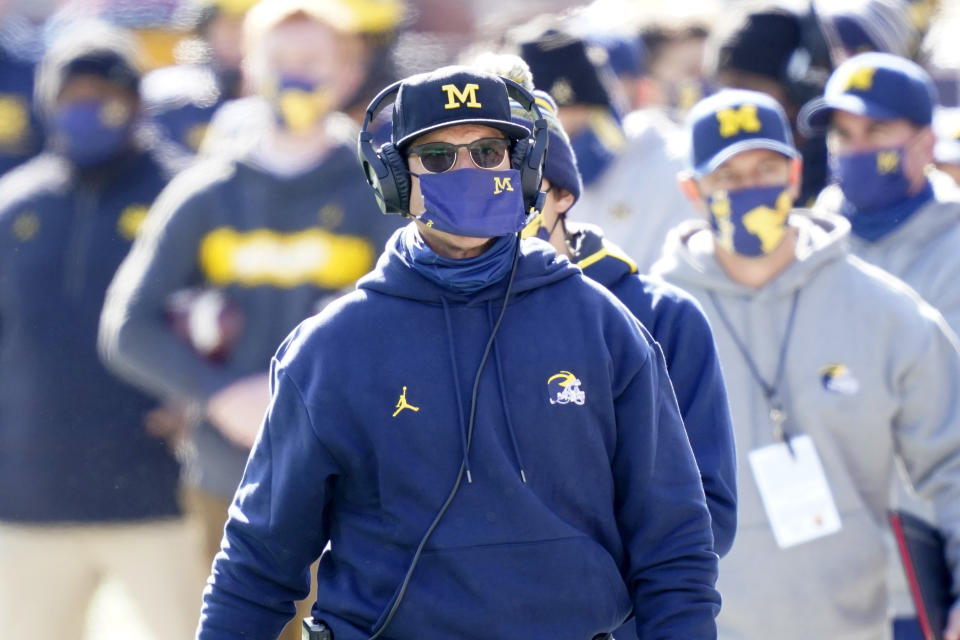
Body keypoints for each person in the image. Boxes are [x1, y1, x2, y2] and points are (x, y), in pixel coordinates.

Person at [195, 65, 720, 640]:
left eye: (490, 151)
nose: (469, 171)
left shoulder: (603, 326)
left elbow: (674, 543)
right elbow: (257, 562)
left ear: (521, 168)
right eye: (439, 157)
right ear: (397, 180)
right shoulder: (332, 349)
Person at [98, 2, 399, 638]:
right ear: (248, 68)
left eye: (312, 62)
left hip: (353, 483)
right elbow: (127, 326)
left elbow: (414, 325)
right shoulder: (205, 193)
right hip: (228, 481)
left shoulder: (378, 192)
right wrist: (219, 393)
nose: (295, 76)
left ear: (348, 73)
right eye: (280, 61)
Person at [651, 87, 960, 640]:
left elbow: (954, 458)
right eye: (728, 177)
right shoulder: (646, 322)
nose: (750, 190)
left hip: (861, 623)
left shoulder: (883, 310)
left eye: (766, 168)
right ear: (692, 189)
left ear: (796, 175)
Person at [508, 82, 736, 640]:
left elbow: (705, 516)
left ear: (562, 193)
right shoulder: (437, 317)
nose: (489, 204)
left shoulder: (660, 317)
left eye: (516, 184)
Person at [0, 23, 204, 640]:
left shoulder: (188, 195)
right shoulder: (15, 204)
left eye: (105, 95)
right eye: (72, 97)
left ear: (138, 101)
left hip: (163, 494)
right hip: (30, 496)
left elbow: (236, 318)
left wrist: (199, 395)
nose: (87, 112)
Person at [801, 50, 960, 640]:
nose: (856, 146)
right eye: (844, 133)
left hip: (924, 560)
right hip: (816, 563)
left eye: (876, 130)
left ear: (923, 138)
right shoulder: (803, 248)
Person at [518, 25, 700, 273]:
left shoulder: (670, 160)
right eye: (548, 128)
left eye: (580, 116)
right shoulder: (511, 174)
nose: (565, 141)